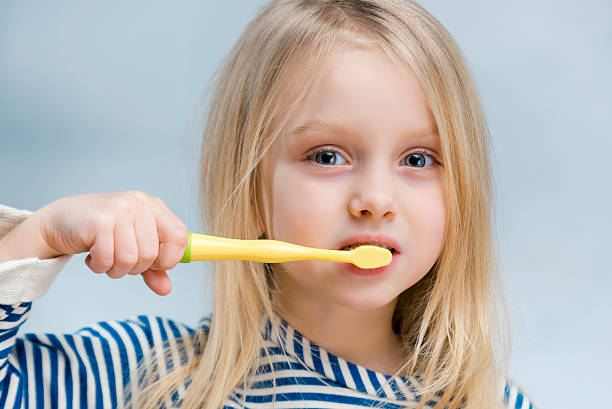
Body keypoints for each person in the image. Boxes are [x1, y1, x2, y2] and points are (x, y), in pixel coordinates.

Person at [0, 0, 536, 408]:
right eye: (327, 156)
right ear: (248, 187)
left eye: (419, 160)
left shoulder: (490, 400)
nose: (375, 200)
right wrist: (40, 237)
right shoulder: (147, 373)